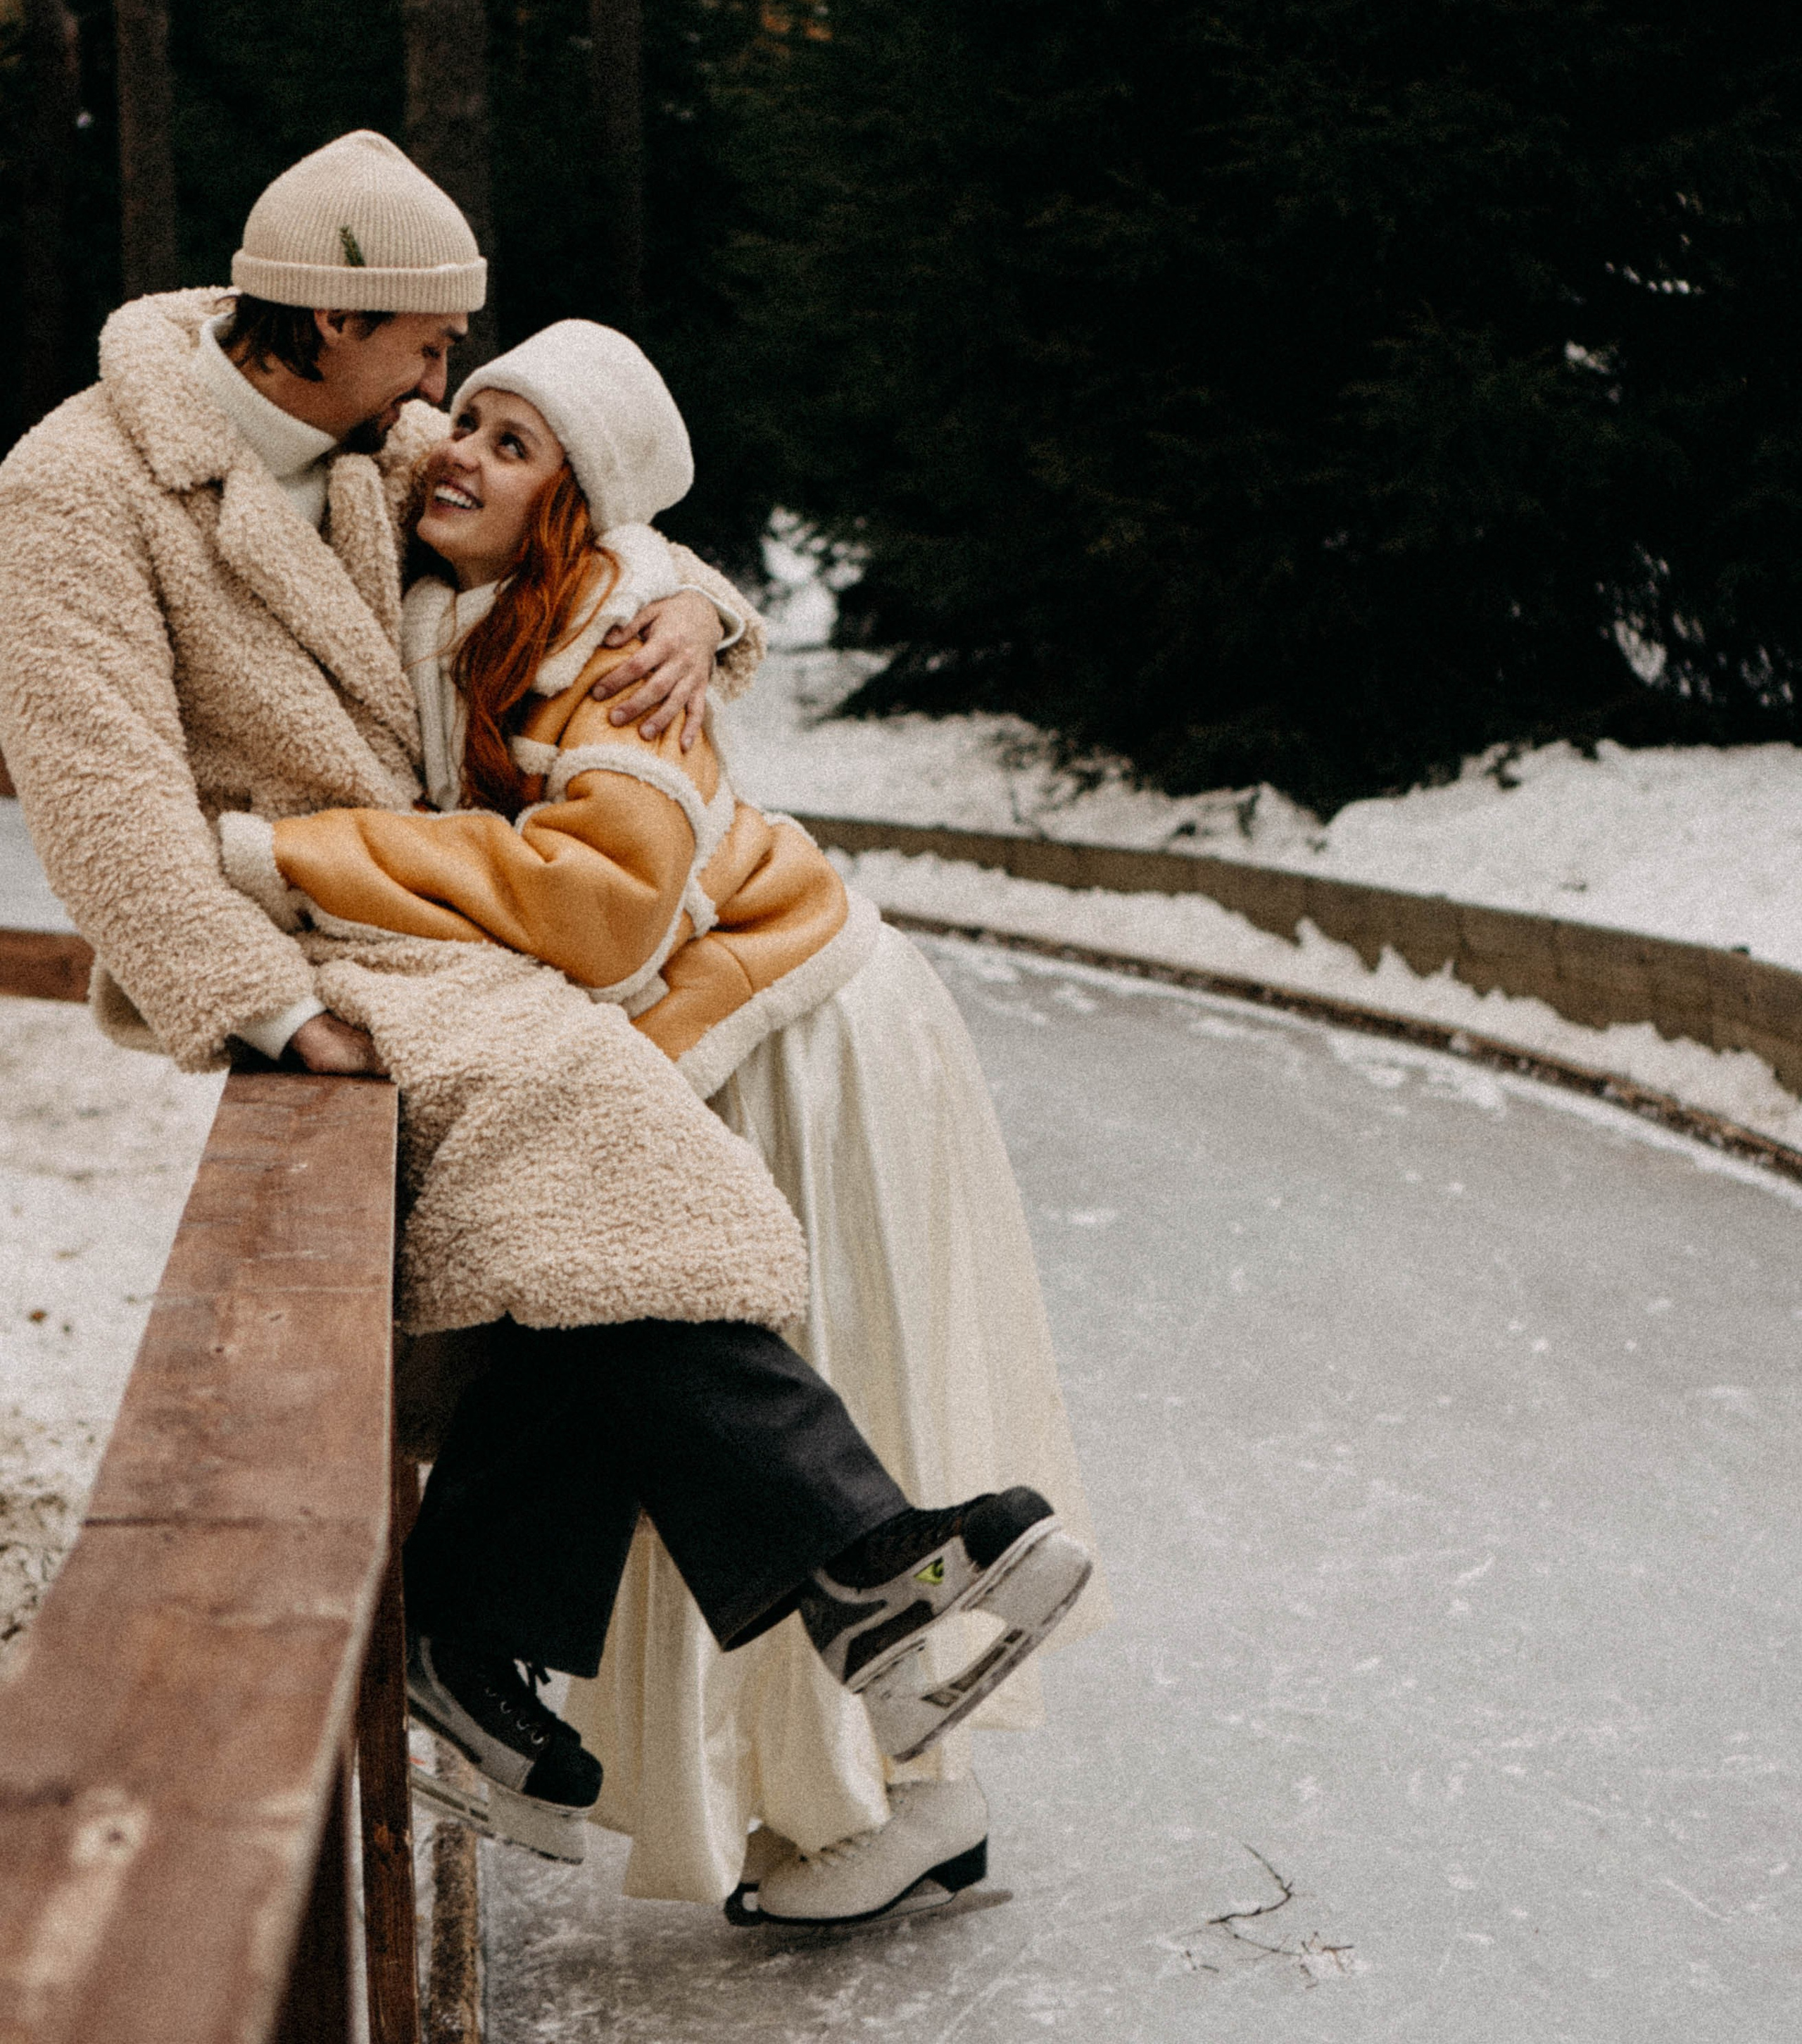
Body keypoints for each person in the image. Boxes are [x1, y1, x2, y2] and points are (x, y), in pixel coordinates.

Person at [0, 132, 1090, 1883]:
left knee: (579, 1202)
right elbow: (93, 789)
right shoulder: (81, 484)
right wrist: (258, 1008)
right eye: (427, 349)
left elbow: (582, 523)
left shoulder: (370, 439)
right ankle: (852, 1573)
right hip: (304, 929)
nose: (446, 398)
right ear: (334, 319)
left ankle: (647, 1615)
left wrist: (696, 612)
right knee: (588, 1139)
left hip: (427, 909)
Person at [215, 313, 1106, 1925]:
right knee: (601, 1289)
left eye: (509, 441)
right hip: (673, 1038)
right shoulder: (476, 590)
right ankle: (735, 1646)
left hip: (791, 1028)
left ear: (581, 505)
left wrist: (307, 857)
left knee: (678, 1316)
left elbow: (608, 914)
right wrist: (706, 594)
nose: (456, 450)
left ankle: (871, 1774)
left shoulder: (615, 631)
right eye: (462, 414)